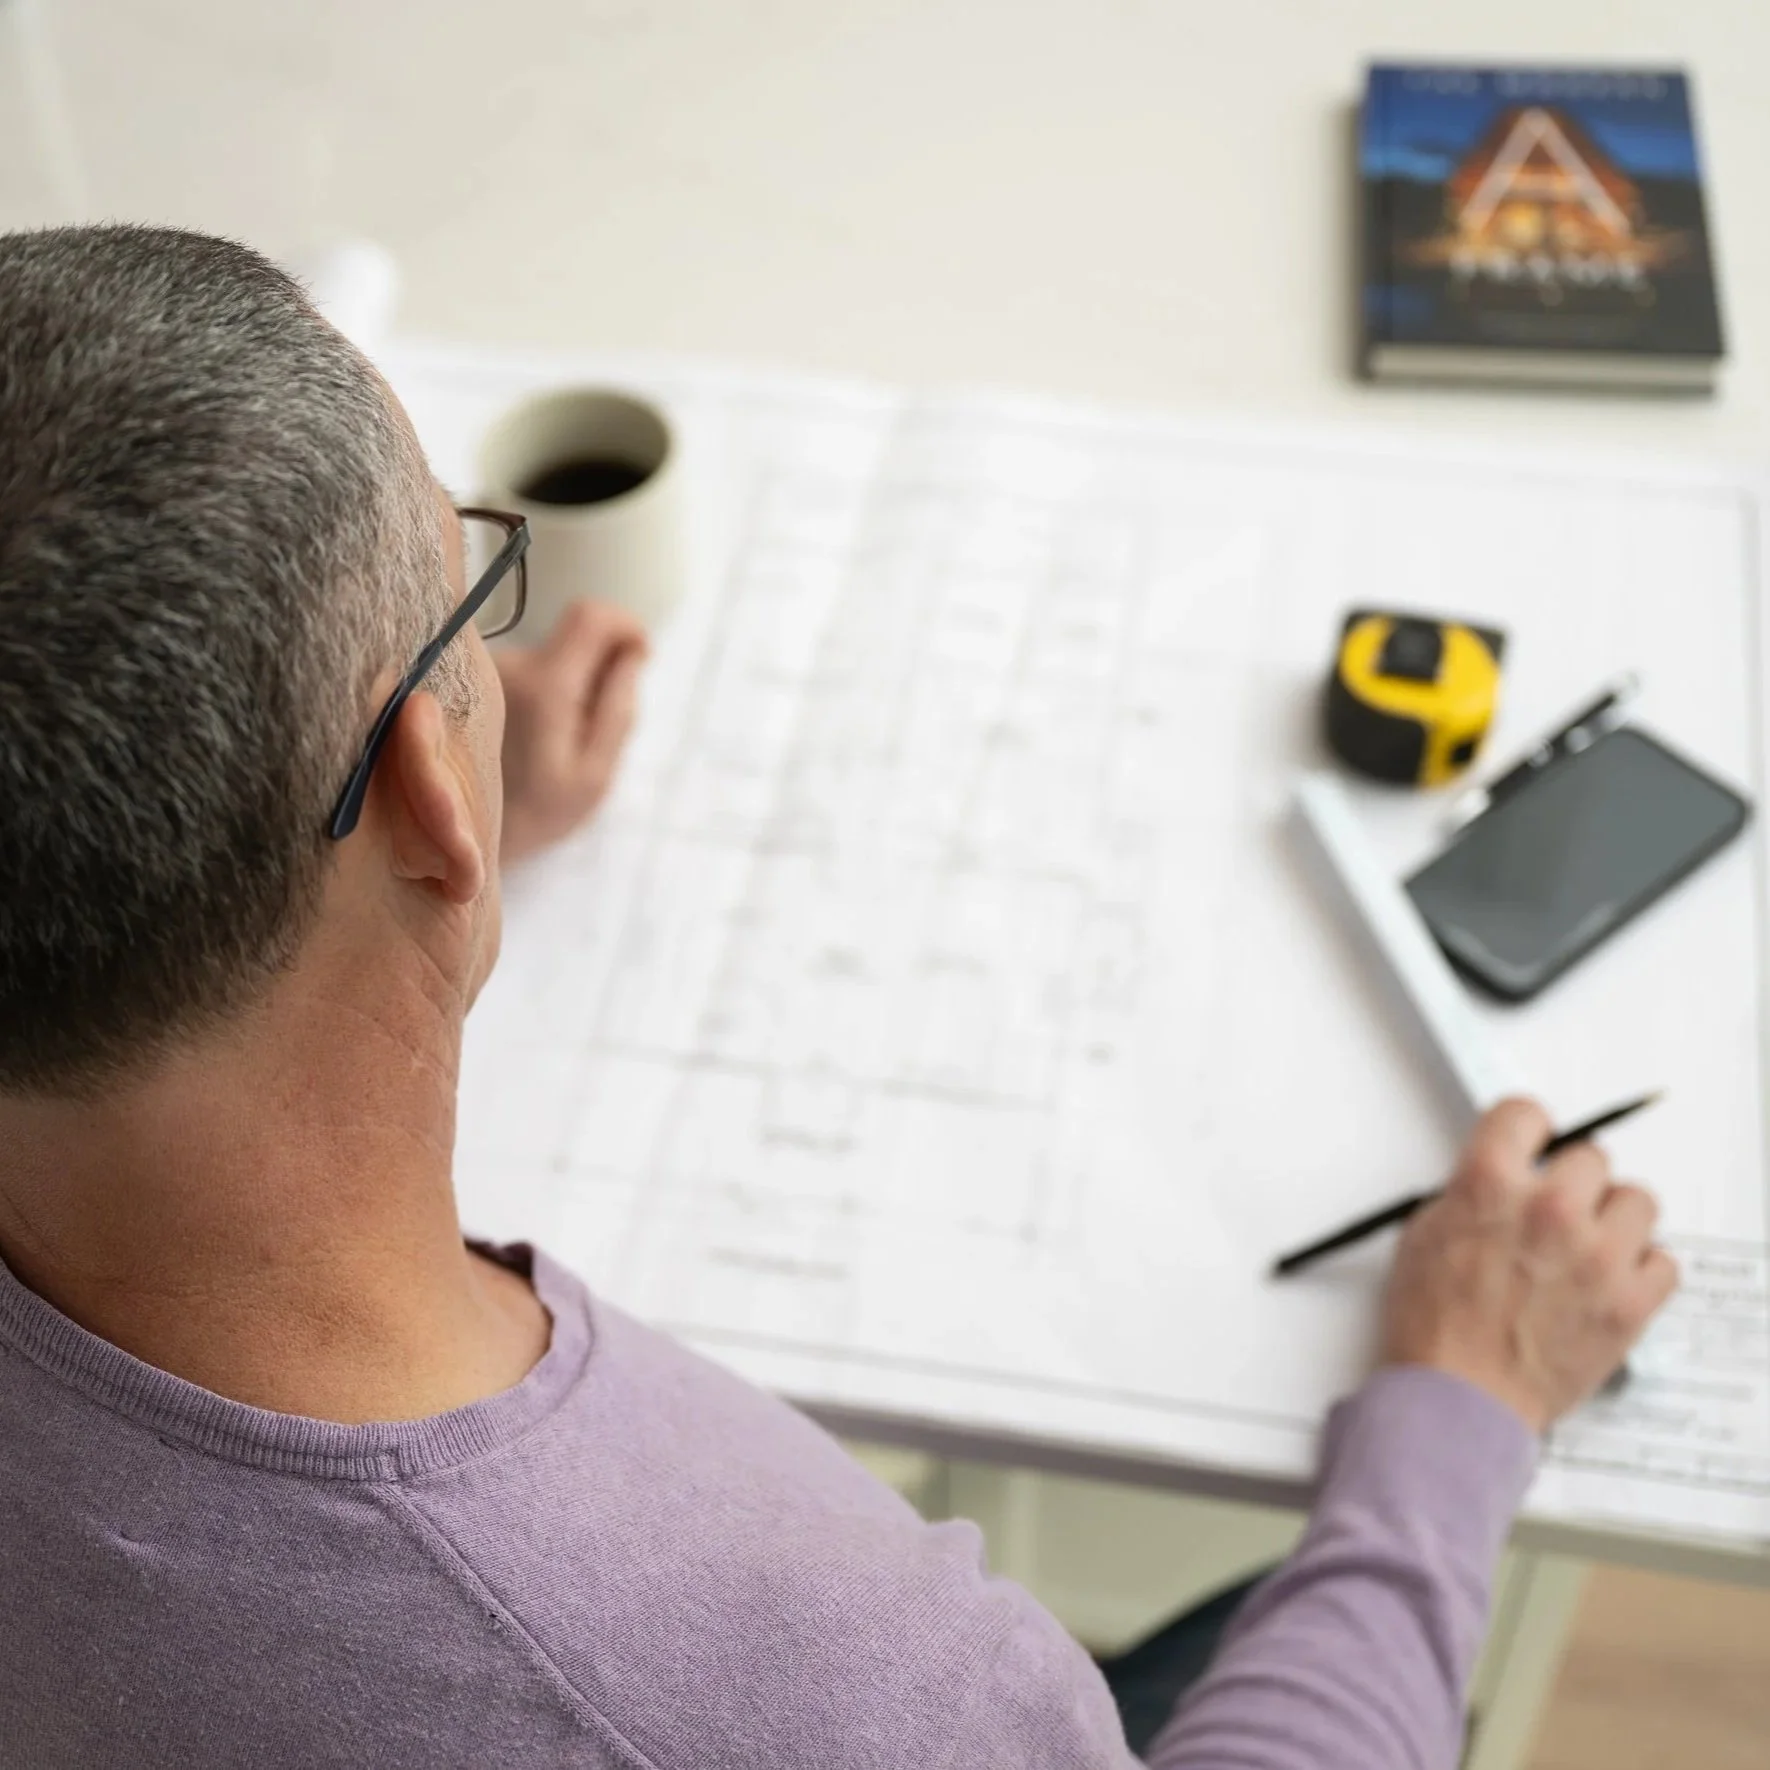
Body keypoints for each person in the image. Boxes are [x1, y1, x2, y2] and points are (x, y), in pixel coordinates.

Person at [0, 225, 1678, 1770]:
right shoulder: (828, 1691)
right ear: (436, 788)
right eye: (462, 595)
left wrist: (315, 827)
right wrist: (1456, 1418)